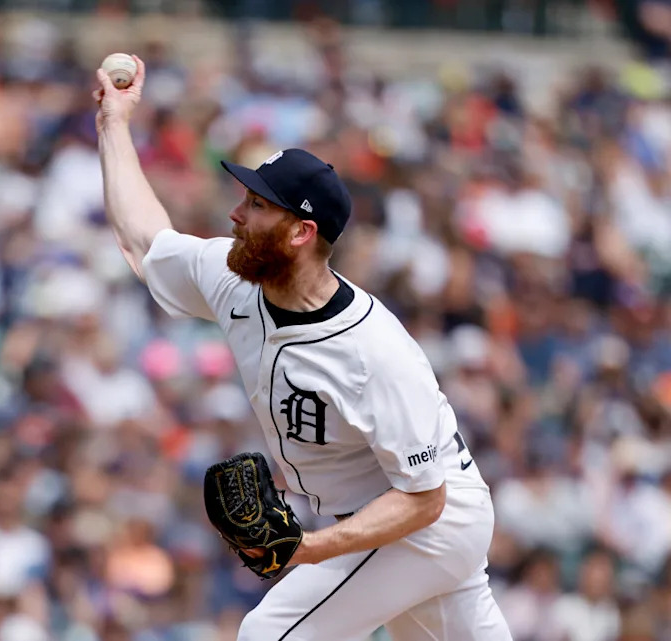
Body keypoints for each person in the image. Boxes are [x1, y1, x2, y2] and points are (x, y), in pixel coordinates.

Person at [92, 56, 512, 641]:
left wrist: (308, 550)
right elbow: (143, 239)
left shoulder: (374, 353)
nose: (236, 214)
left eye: (257, 206)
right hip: (394, 520)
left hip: (424, 524)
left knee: (269, 635)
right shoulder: (233, 279)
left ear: (300, 233)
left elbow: (424, 500)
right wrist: (114, 124)